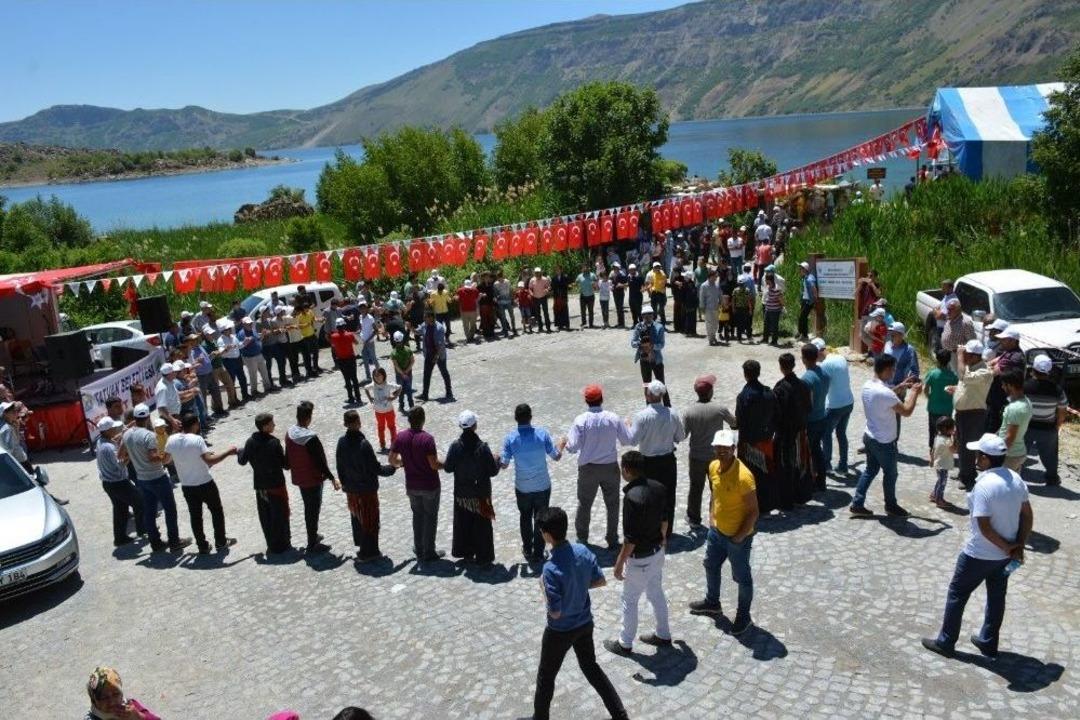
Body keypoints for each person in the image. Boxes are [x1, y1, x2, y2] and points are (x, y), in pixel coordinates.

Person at [921, 433, 1033, 659]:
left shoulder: (983, 485)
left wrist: (1007, 547)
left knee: (957, 593)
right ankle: (988, 641)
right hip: (1004, 556)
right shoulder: (1015, 478)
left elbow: (984, 527)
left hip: (979, 554)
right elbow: (1027, 514)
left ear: (985, 459)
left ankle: (946, 642)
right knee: (996, 596)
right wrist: (1017, 545)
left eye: (978, 455)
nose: (974, 458)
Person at [532, 507, 628, 720]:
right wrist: (578, 586)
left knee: (546, 677)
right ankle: (619, 714)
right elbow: (600, 580)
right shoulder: (583, 552)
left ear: (547, 535)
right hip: (584, 624)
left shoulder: (549, 569)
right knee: (591, 667)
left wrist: (544, 591)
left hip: (559, 631)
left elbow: (555, 613)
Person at [688, 428, 759, 635]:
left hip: (738, 538)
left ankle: (743, 616)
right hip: (717, 532)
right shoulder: (712, 467)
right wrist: (711, 518)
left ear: (733, 449)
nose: (721, 451)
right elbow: (714, 494)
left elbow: (753, 512)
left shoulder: (744, 477)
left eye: (725, 448)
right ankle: (712, 602)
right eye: (718, 447)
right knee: (710, 564)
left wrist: (738, 537)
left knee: (742, 578)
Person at [604, 450, 671, 656]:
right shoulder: (659, 488)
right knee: (656, 593)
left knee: (629, 600)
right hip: (657, 553)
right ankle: (663, 634)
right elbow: (665, 520)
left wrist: (618, 563)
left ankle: (625, 643)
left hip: (640, 560)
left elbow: (630, 539)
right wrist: (662, 543)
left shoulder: (632, 498)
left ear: (625, 470)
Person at [560, 384, 632, 549]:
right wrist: (627, 425)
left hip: (588, 469)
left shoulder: (580, 420)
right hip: (610, 467)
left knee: (584, 504)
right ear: (602, 399)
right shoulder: (613, 418)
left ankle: (582, 538)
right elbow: (626, 440)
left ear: (586, 401)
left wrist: (564, 442)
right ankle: (612, 538)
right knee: (613, 504)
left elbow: (572, 448)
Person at [849, 354, 922, 517]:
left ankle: (857, 503)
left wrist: (901, 386)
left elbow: (885, 395)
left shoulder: (868, 385)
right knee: (891, 474)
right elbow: (907, 411)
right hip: (884, 442)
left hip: (869, 436)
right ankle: (891, 505)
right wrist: (915, 392)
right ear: (887, 369)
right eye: (893, 369)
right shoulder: (885, 394)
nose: (894, 372)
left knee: (870, 470)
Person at [165, 414, 237, 554]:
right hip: (205, 482)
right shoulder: (197, 439)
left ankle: (202, 546)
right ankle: (221, 541)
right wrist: (228, 452)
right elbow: (210, 460)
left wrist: (182, 459)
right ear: (195, 424)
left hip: (187, 485)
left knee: (195, 516)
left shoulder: (171, 439)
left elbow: (166, 460)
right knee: (216, 511)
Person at [122, 404, 189, 553]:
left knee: (149, 512)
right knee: (170, 510)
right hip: (157, 477)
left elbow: (122, 454)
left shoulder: (126, 435)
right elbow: (153, 457)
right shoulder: (148, 436)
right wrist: (167, 454)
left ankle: (156, 542)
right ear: (147, 418)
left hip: (141, 479)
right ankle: (174, 541)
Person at [500, 403, 563, 562]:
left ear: (516, 419)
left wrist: (495, 458)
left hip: (523, 487)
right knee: (541, 519)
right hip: (542, 486)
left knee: (525, 517)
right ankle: (539, 551)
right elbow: (556, 456)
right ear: (531, 417)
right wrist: (562, 444)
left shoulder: (510, 439)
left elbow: (504, 465)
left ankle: (527, 548)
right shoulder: (542, 434)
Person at [336, 409, 396, 562]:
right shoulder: (364, 445)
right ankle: (369, 552)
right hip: (366, 491)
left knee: (357, 519)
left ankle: (363, 547)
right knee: (370, 521)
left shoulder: (341, 442)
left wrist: (345, 484)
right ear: (358, 423)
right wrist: (392, 468)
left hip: (352, 490)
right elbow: (376, 469)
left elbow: (339, 467)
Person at [629, 380, 685, 539]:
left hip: (647, 462)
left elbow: (632, 441)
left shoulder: (641, 416)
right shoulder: (672, 413)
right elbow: (680, 436)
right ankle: (667, 530)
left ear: (648, 395)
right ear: (661, 395)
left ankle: (650, 528)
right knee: (669, 495)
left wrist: (628, 426)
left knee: (647, 495)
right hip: (668, 461)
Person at [389, 406, 445, 562]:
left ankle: (419, 548)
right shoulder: (427, 439)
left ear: (409, 420)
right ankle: (429, 551)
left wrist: (404, 463)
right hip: (429, 485)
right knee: (430, 517)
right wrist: (446, 464)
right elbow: (433, 464)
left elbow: (392, 460)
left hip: (412, 485)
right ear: (423, 420)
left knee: (417, 516)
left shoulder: (401, 437)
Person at [445, 409, 499, 565]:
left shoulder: (455, 446)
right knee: (482, 526)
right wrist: (496, 459)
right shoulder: (482, 447)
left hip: (462, 494)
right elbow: (493, 471)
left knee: (463, 523)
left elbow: (448, 468)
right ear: (474, 426)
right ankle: (483, 556)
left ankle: (466, 552)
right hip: (481, 494)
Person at [681, 374, 736, 529]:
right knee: (716, 487)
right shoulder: (720, 409)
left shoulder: (689, 412)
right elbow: (734, 422)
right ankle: (716, 515)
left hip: (696, 456)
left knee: (695, 488)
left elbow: (683, 435)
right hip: (716, 456)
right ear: (710, 392)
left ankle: (694, 518)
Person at [285, 401, 340, 553]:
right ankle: (312, 542)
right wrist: (331, 477)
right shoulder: (310, 438)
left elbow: (287, 459)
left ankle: (313, 536)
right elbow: (319, 461)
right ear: (309, 418)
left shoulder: (289, 433)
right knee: (312, 510)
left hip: (301, 479)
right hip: (313, 479)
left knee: (309, 508)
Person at [238, 412, 292, 554]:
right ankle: (283, 543)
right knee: (280, 514)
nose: (274, 425)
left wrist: (240, 451)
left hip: (261, 486)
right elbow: (285, 465)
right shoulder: (274, 443)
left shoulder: (250, 442)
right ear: (265, 426)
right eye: (272, 423)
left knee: (265, 516)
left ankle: (271, 543)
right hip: (276, 485)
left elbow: (242, 461)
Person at [95, 417, 146, 546]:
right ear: (107, 431)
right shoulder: (109, 448)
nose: (116, 429)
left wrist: (125, 431)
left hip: (108, 483)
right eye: (113, 428)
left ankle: (120, 538)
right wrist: (130, 451)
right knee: (140, 501)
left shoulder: (100, 442)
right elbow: (121, 464)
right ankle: (143, 530)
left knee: (120, 510)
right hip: (119, 483)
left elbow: (114, 439)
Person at [951, 339, 994, 490]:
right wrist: (956, 390)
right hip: (962, 413)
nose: (965, 356)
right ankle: (964, 472)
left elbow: (965, 378)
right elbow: (964, 383)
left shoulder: (984, 371)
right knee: (961, 445)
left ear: (976, 356)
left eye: (967, 354)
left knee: (968, 447)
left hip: (974, 414)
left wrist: (960, 357)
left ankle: (968, 478)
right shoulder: (969, 367)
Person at [772, 353, 811, 510]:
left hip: (785, 434)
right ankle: (801, 496)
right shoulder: (803, 385)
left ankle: (786, 500)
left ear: (781, 367)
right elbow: (809, 408)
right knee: (801, 464)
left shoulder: (780, 387)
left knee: (785, 466)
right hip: (800, 433)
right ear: (794, 366)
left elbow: (776, 413)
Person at [1024, 353, 1067, 486]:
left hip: (1027, 427)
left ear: (1032, 370)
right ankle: (1052, 478)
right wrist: (1057, 425)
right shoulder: (1057, 390)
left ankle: (1014, 474)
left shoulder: (1025, 387)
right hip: (1048, 428)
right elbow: (1062, 410)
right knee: (1050, 455)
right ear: (1049, 372)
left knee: (1019, 452)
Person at [815, 338, 854, 477]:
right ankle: (843, 464)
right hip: (848, 402)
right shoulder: (840, 357)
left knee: (826, 434)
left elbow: (821, 388)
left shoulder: (825, 365)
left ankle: (826, 464)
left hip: (834, 406)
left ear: (820, 351)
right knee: (841, 434)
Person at [800, 343, 830, 493]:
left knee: (808, 453)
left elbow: (807, 405)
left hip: (811, 421)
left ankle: (810, 482)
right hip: (822, 417)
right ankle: (821, 481)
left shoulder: (806, 379)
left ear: (804, 359)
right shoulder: (824, 373)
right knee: (817, 450)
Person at [985, 328, 1026, 434]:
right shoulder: (1008, 352)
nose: (1001, 341)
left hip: (1003, 397)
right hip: (997, 396)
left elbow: (992, 372)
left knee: (995, 428)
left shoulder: (1015, 357)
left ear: (1013, 341)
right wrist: (989, 366)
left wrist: (988, 368)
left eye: (1004, 339)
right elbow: (990, 363)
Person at [85, 665, 161, 720]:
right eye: (104, 698)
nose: (112, 702)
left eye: (116, 694)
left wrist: (138, 716)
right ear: (94, 701)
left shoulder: (130, 706)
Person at [630, 307, 669, 407]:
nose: (647, 317)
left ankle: (667, 405)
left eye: (649, 314)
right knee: (646, 384)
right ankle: (649, 406)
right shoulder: (638, 327)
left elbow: (661, 344)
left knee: (661, 383)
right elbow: (633, 343)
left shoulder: (659, 327)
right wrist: (641, 344)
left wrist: (651, 346)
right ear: (642, 316)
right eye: (644, 315)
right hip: (644, 359)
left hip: (657, 360)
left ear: (653, 315)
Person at [923, 348, 958, 453]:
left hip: (933, 408)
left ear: (937, 360)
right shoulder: (953, 375)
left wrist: (930, 397)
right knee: (946, 430)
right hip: (947, 408)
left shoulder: (932, 374)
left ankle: (932, 449)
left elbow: (925, 389)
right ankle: (944, 449)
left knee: (933, 429)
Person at [996, 371, 1032, 473]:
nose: (1002, 387)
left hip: (1010, 455)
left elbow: (1010, 437)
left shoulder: (1015, 408)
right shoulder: (1027, 401)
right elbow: (1006, 427)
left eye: (1003, 384)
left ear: (1010, 385)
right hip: (1017, 452)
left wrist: (998, 453)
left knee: (1002, 486)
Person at [417, 310, 454, 402]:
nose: (424, 318)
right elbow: (418, 332)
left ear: (431, 317)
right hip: (429, 353)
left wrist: (436, 356)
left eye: (426, 317)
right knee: (426, 374)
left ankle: (449, 392)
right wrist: (411, 328)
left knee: (444, 372)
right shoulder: (425, 324)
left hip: (438, 354)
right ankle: (425, 394)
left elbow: (440, 344)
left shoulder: (439, 328)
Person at [364, 367, 400, 452]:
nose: (377, 377)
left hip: (389, 411)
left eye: (378, 375)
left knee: (392, 427)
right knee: (381, 428)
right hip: (378, 412)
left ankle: (394, 444)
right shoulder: (373, 385)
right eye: (375, 376)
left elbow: (400, 387)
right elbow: (365, 388)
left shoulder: (388, 384)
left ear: (383, 376)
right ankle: (382, 445)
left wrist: (394, 397)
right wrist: (370, 399)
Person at [328, 318, 362, 405]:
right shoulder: (349, 335)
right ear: (344, 325)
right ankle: (358, 397)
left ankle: (350, 398)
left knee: (347, 379)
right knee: (354, 378)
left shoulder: (333, 336)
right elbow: (357, 343)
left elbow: (333, 345)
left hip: (341, 360)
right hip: (351, 359)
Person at [238, 316, 273, 396]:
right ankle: (254, 391)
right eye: (248, 324)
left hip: (259, 354)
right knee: (253, 374)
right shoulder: (241, 333)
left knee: (264, 372)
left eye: (250, 323)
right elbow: (240, 346)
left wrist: (263, 335)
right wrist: (246, 342)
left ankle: (268, 387)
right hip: (250, 357)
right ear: (243, 324)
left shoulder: (253, 330)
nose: (250, 325)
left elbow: (258, 339)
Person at [940, 298, 975, 373]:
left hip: (956, 355)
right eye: (947, 309)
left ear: (958, 310)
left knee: (957, 375)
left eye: (951, 309)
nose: (948, 311)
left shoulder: (966, 323)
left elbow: (972, 342)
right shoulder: (949, 318)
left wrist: (960, 351)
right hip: (946, 354)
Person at [217, 324, 250, 403]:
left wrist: (245, 342)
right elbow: (221, 353)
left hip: (238, 359)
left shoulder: (233, 336)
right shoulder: (220, 340)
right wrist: (227, 348)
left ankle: (245, 394)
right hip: (229, 361)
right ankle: (233, 399)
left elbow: (239, 346)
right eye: (228, 329)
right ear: (223, 331)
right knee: (231, 380)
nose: (230, 330)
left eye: (229, 328)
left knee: (242, 378)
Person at [929, 417, 957, 508]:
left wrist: (932, 460)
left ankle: (934, 495)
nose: (954, 429)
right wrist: (955, 439)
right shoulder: (947, 440)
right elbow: (953, 450)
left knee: (939, 480)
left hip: (938, 464)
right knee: (942, 483)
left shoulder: (937, 437)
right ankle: (939, 500)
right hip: (943, 465)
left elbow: (933, 449)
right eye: (953, 428)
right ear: (946, 429)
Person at [390, 331, 415, 413]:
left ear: (394, 341)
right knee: (409, 390)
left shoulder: (393, 353)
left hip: (399, 375)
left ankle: (401, 406)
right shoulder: (408, 349)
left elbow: (396, 366)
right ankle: (411, 405)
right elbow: (412, 361)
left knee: (400, 391)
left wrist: (402, 373)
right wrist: (406, 372)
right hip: (408, 374)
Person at [153, 363, 182, 432]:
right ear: (169, 374)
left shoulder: (170, 382)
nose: (175, 373)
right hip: (169, 420)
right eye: (173, 372)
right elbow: (161, 408)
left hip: (175, 416)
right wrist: (173, 421)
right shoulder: (162, 388)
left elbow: (176, 395)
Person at [356, 300, 380, 383]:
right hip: (362, 342)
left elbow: (376, 331)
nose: (362, 309)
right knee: (365, 360)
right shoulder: (360, 317)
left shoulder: (370, 318)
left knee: (374, 359)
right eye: (361, 308)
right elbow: (361, 328)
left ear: (366, 308)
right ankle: (368, 377)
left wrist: (367, 340)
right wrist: (358, 332)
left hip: (369, 343)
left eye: (364, 308)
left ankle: (380, 374)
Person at [699, 268, 721, 345]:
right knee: (709, 324)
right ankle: (710, 339)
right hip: (708, 308)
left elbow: (719, 294)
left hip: (716, 307)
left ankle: (713, 336)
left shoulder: (716, 284)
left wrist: (721, 302)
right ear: (710, 276)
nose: (716, 278)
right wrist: (702, 307)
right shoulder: (704, 285)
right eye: (715, 276)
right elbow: (702, 297)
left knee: (715, 324)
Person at [797, 261, 818, 341]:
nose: (799, 270)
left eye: (801, 269)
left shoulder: (809, 278)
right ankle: (801, 333)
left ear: (805, 269)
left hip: (809, 301)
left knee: (803, 317)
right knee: (802, 317)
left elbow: (814, 288)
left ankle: (804, 335)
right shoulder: (805, 278)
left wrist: (815, 300)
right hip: (804, 299)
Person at [494, 269, 517, 337]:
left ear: (502, 276)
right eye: (498, 277)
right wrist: (497, 298)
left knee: (512, 316)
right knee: (503, 317)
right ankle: (505, 330)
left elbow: (510, 290)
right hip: (501, 302)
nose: (500, 278)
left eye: (500, 276)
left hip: (508, 301)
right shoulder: (496, 284)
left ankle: (514, 328)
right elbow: (495, 293)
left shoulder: (507, 281)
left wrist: (512, 299)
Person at [529, 267, 553, 332]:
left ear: (540, 272)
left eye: (538, 272)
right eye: (536, 273)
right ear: (534, 273)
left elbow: (549, 286)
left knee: (546, 313)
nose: (537, 274)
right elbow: (530, 288)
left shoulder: (545, 279)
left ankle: (548, 327)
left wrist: (547, 289)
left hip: (543, 297)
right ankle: (540, 327)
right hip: (535, 298)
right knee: (538, 314)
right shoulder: (532, 280)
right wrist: (531, 293)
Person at [551, 266, 571, 331]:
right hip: (556, 296)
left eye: (559, 269)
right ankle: (559, 325)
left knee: (565, 310)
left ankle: (567, 325)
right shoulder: (553, 278)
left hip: (563, 296)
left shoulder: (565, 277)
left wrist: (569, 286)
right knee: (557, 310)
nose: (557, 271)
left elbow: (568, 285)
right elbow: (552, 287)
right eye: (556, 270)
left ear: (561, 270)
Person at [611, 262, 628, 328]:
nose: (615, 268)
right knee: (617, 307)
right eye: (614, 267)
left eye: (616, 267)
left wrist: (622, 285)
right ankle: (619, 323)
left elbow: (626, 282)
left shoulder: (622, 273)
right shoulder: (612, 273)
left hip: (620, 292)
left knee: (620, 307)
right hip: (614, 292)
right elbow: (610, 281)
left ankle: (622, 323)